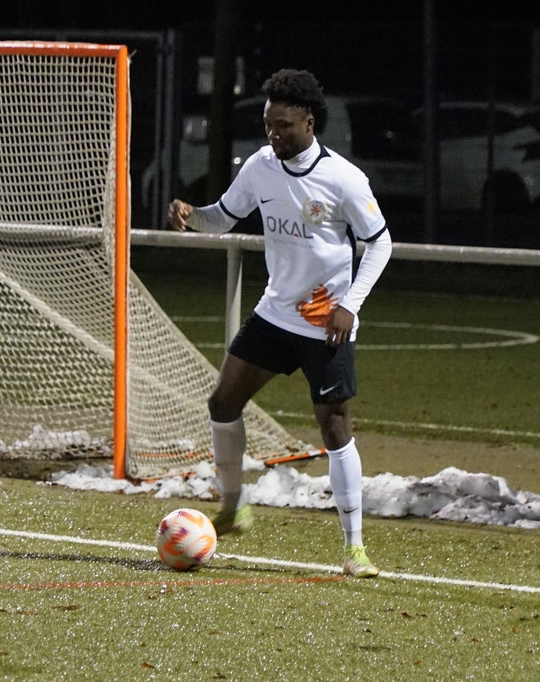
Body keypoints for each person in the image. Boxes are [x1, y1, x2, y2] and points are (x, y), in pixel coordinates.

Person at [167, 69, 393, 578]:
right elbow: (223, 217)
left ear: (309, 122)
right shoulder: (260, 166)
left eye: (283, 125)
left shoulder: (344, 178)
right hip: (275, 314)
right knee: (223, 402)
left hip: (326, 322)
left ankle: (355, 549)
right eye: (268, 124)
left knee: (334, 427)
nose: (273, 134)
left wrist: (351, 304)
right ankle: (233, 508)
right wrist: (191, 214)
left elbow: (379, 243)